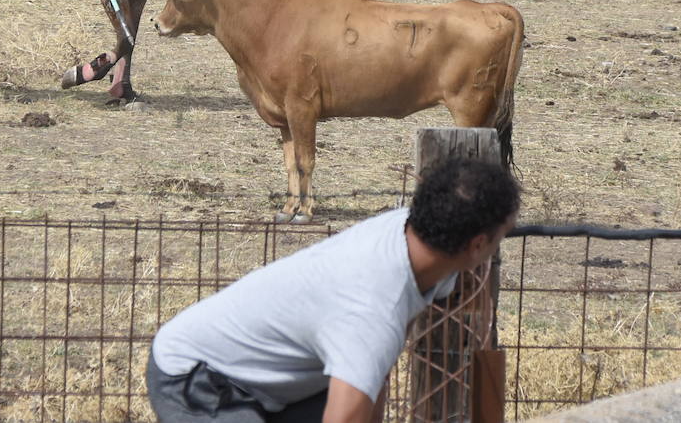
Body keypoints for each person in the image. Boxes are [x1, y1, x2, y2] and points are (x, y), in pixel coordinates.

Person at [148, 157, 519, 423]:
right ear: (477, 246)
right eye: (501, 237)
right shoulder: (372, 312)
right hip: (200, 376)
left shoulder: (411, 234)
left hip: (278, 381)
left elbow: (374, 375)